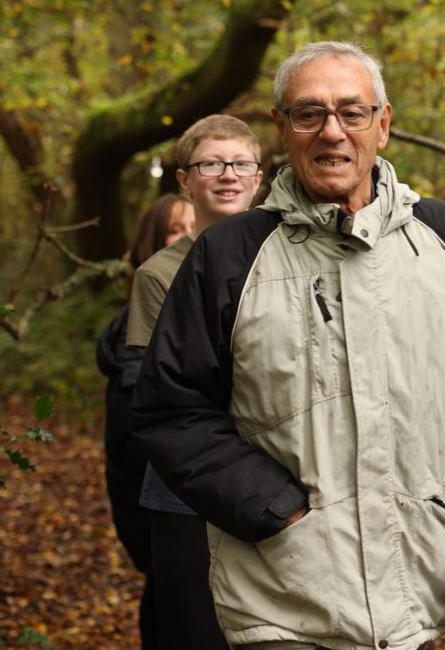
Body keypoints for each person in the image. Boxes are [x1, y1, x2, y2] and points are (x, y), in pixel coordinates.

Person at [131, 40, 445, 650]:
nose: (332, 132)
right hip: (281, 597)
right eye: (309, 113)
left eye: (352, 112)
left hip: (416, 594)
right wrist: (276, 510)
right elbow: (172, 408)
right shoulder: (229, 257)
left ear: (384, 125)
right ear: (281, 128)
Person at [124, 114, 264, 650]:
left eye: (240, 164)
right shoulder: (160, 274)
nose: (227, 175)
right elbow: (160, 398)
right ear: (185, 179)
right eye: (210, 163)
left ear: (258, 176)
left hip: (291, 484)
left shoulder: (290, 256)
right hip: (187, 496)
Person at [96, 192, 194, 649]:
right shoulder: (131, 342)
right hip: (169, 532)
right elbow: (125, 450)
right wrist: (147, 546)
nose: (189, 240)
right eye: (176, 230)